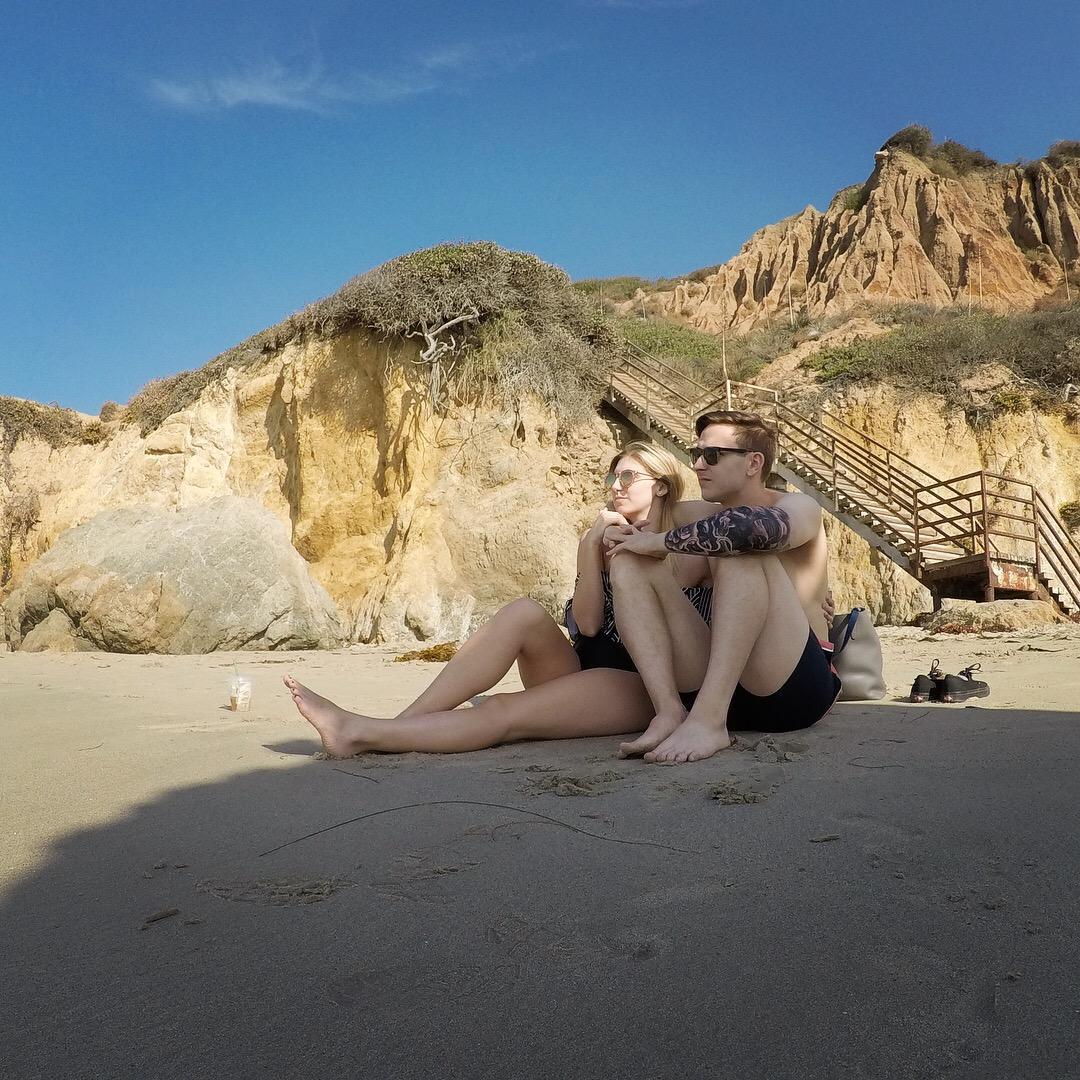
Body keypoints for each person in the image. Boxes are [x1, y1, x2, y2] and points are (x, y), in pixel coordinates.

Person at [283, 442, 711, 756]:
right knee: (522, 612)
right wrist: (590, 547)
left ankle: (360, 734)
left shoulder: (690, 524)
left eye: (628, 476)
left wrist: (652, 547)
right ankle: (405, 723)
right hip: (590, 664)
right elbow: (589, 625)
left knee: (507, 712)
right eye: (612, 477)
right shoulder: (600, 535)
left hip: (640, 680)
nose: (616, 485)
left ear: (660, 486)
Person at [606, 410, 840, 764]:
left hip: (791, 689)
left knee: (739, 548)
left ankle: (709, 722)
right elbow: (630, 520)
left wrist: (659, 543)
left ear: (753, 463)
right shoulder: (696, 512)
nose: (699, 464)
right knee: (629, 560)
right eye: (696, 454)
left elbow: (748, 529)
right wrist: (609, 529)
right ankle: (670, 712)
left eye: (712, 455)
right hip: (717, 681)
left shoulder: (798, 506)